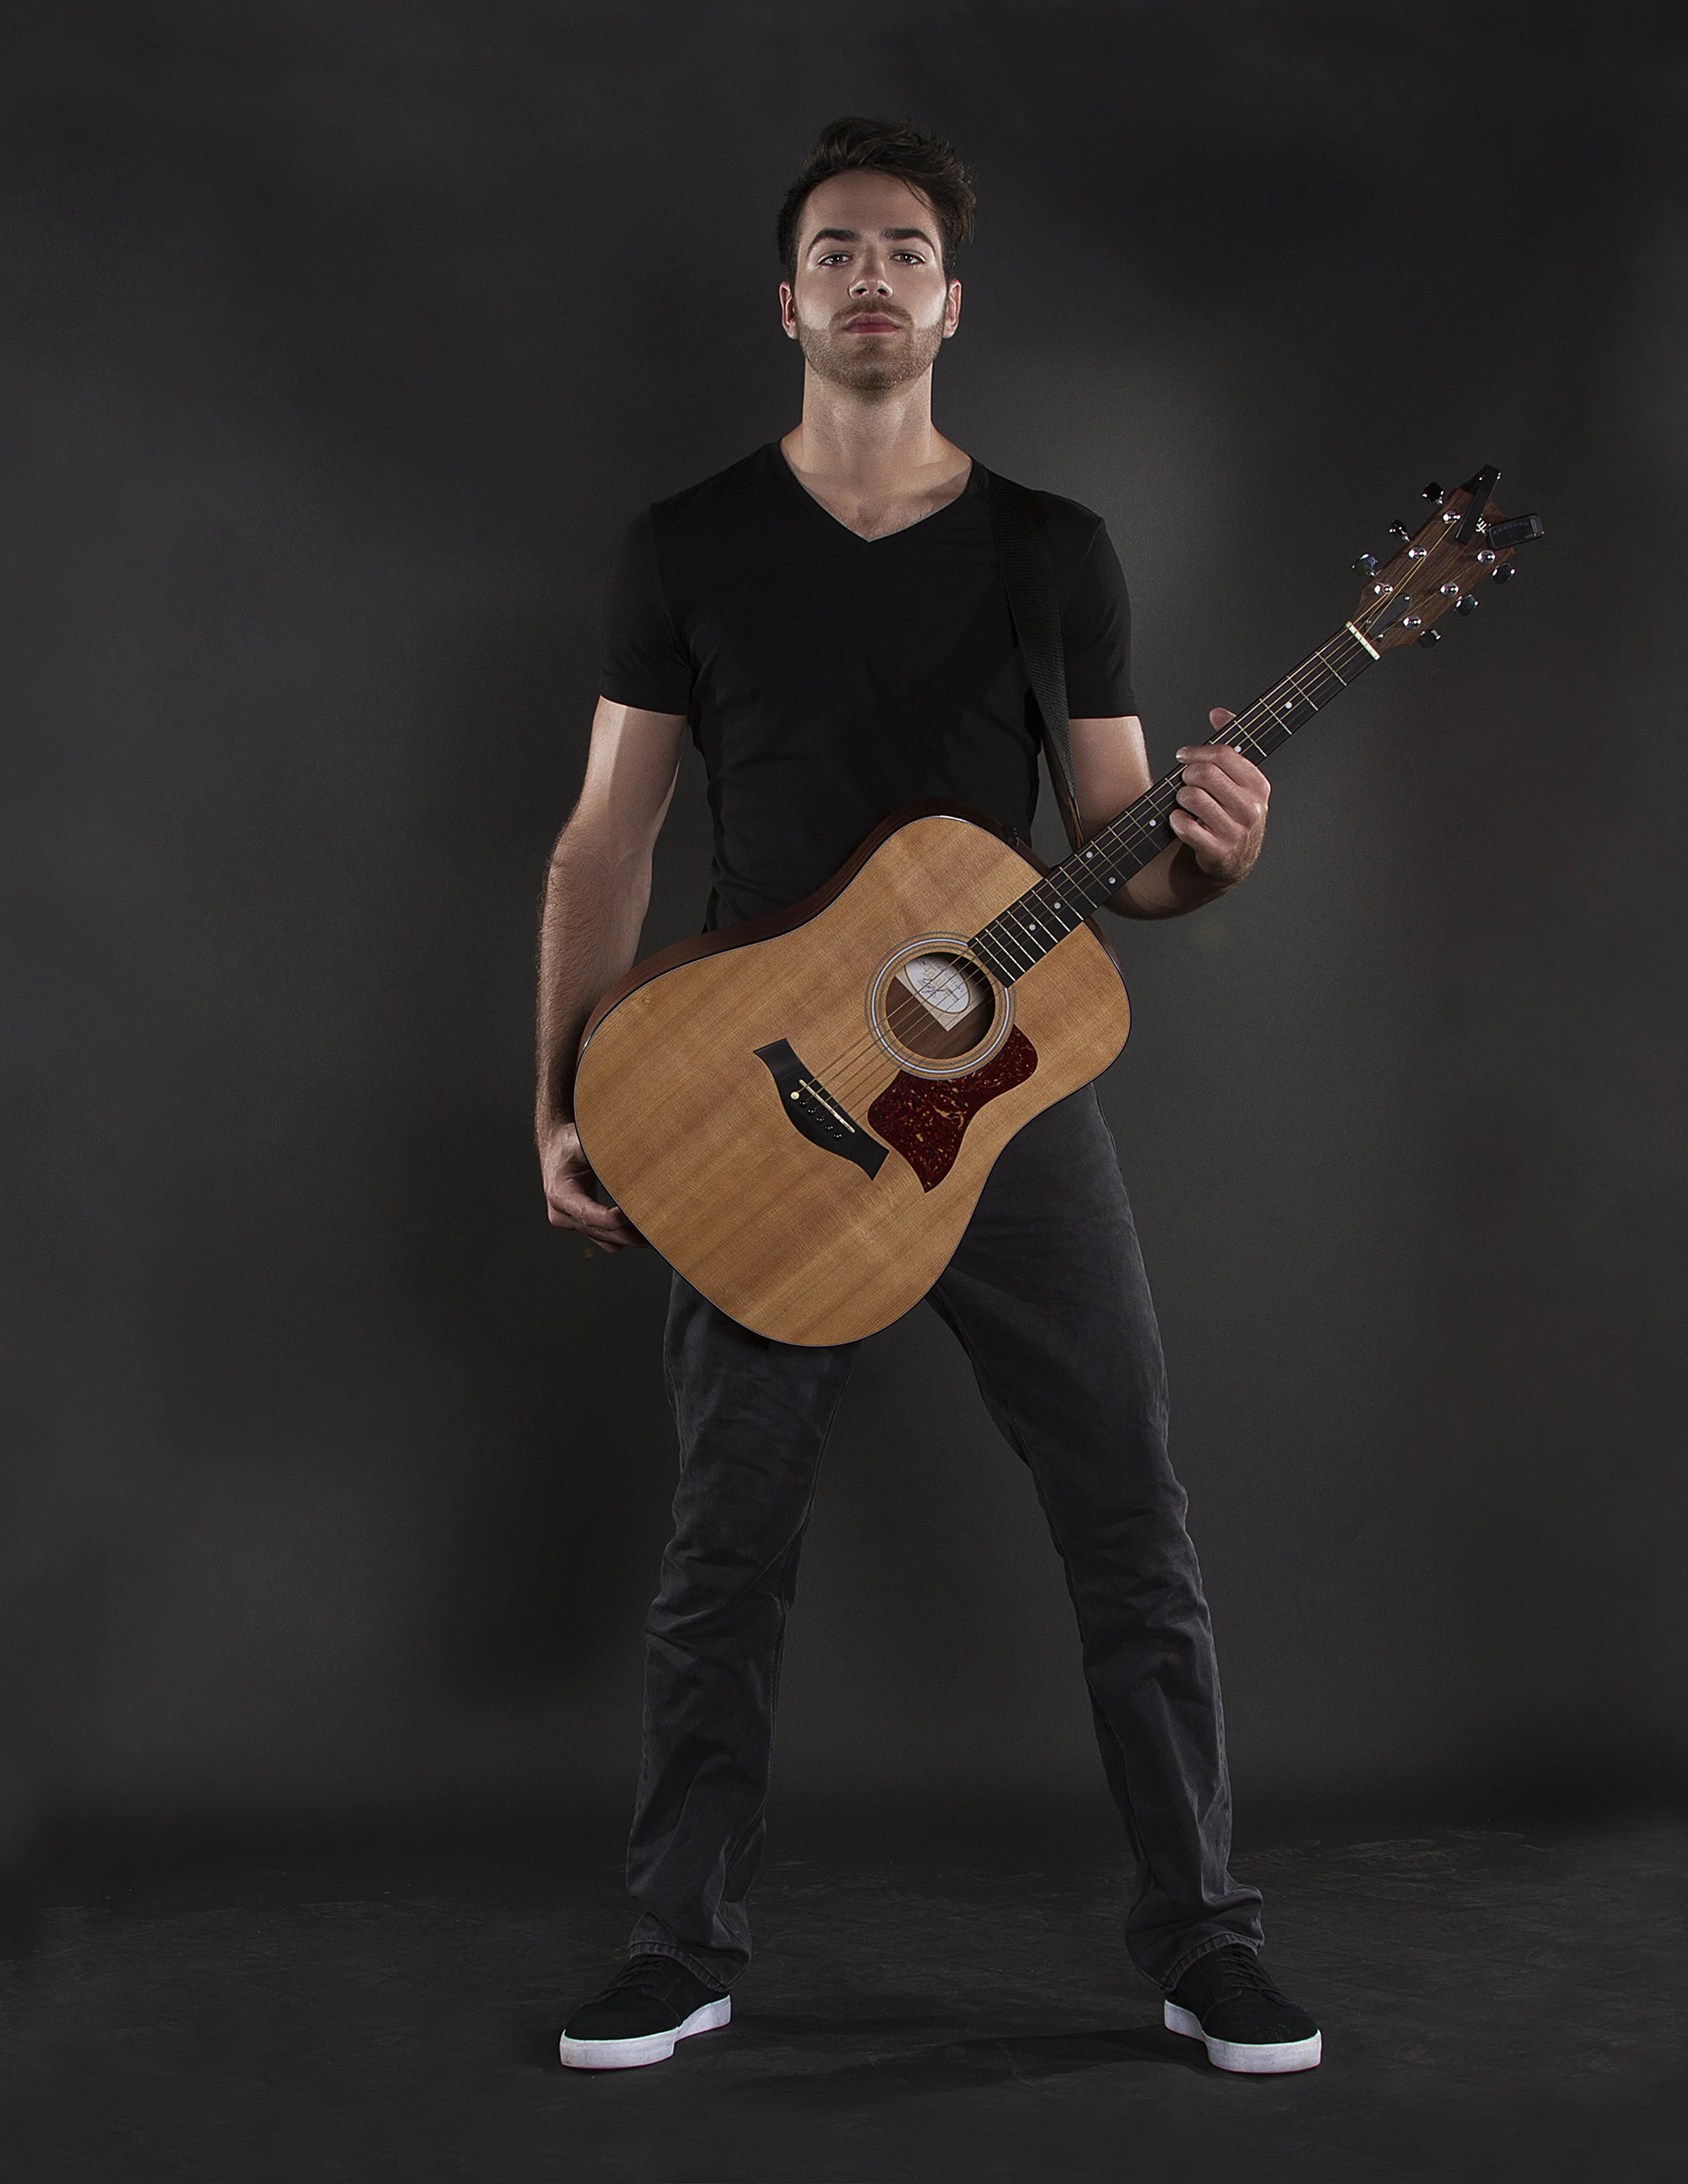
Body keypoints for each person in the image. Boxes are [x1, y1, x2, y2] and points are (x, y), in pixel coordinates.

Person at [535, 117, 1321, 2078]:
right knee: (725, 1547)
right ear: (787, 299)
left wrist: (1217, 852)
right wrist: (563, 1098)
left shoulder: (1053, 552)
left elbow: (1124, 856)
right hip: (753, 1092)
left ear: (952, 303)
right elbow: (605, 843)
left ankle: (1205, 1943)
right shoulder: (687, 544)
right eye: (837, 251)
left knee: (1128, 1517)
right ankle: (678, 1950)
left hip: (995, 1096)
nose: (870, 276)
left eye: (903, 251)